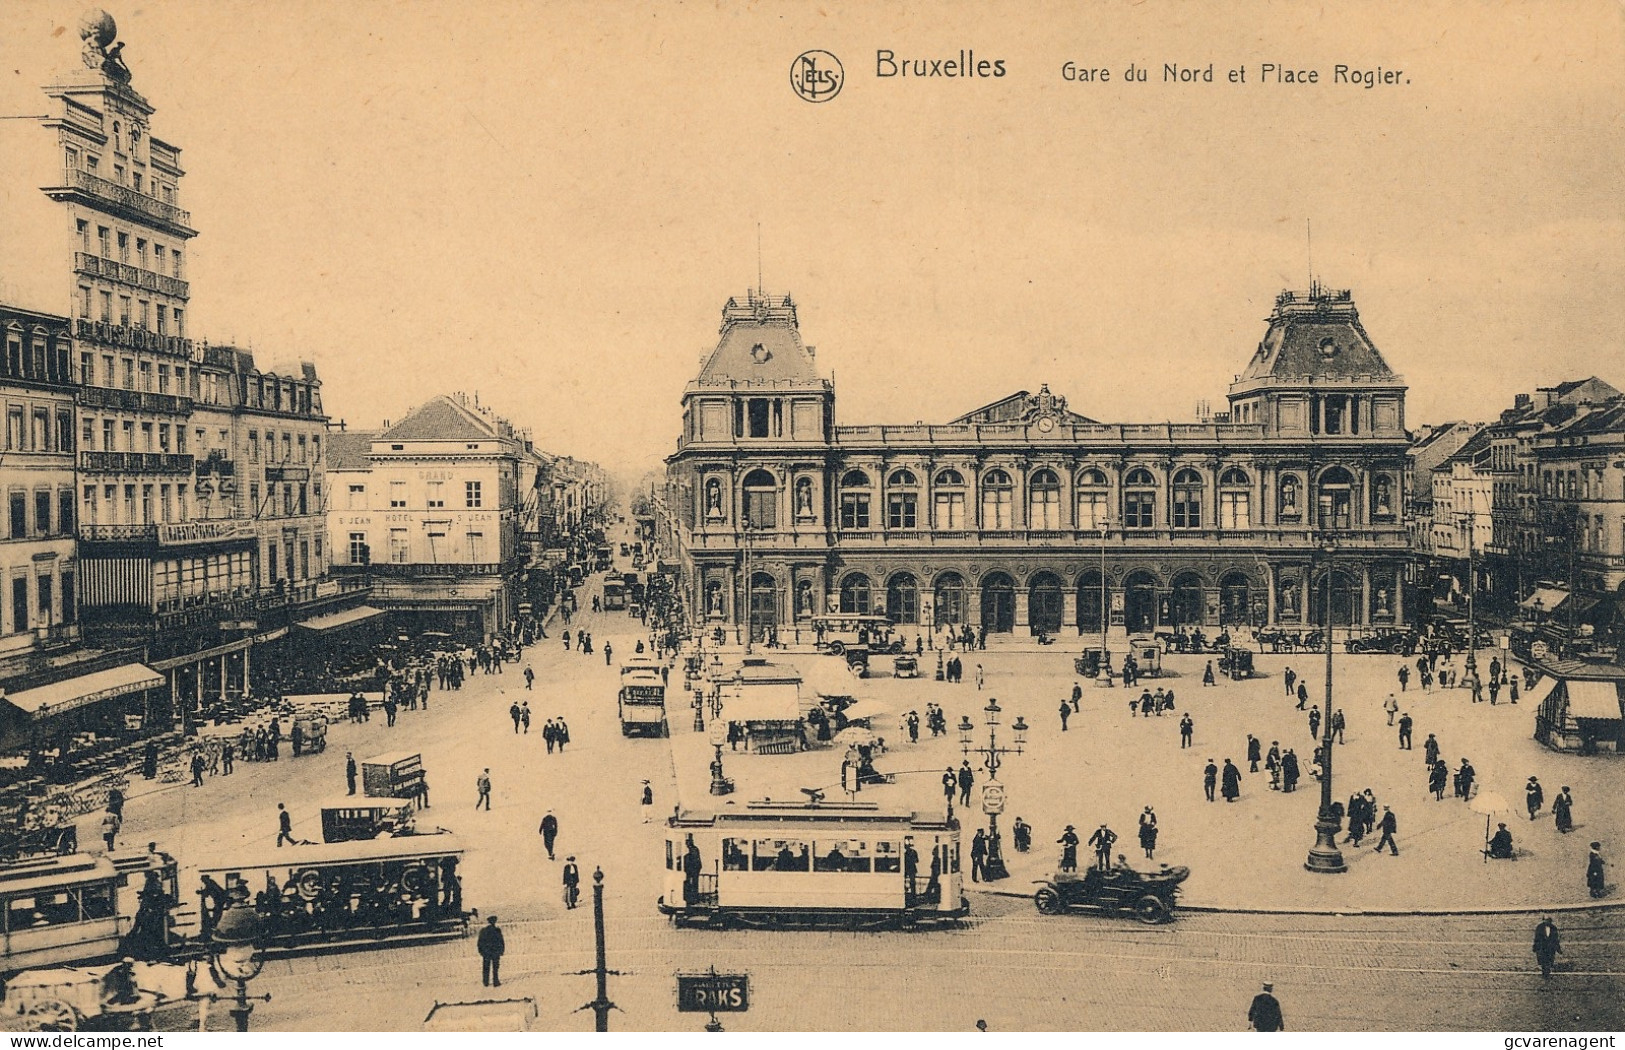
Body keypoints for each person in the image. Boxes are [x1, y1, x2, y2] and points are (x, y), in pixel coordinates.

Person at [477, 915, 505, 987]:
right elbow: (501, 941)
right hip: (494, 951)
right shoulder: (497, 930)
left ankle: (486, 982)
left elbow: (480, 942)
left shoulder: (484, 930)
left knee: (487, 967)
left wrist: (481, 951)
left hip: (487, 952)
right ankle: (495, 981)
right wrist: (501, 950)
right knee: (495, 968)